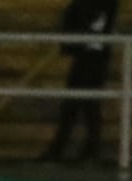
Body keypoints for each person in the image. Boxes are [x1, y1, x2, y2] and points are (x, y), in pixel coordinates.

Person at [42, 0, 118, 163]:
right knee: (78, 105)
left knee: (84, 105)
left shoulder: (99, 5)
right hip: (88, 55)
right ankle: (79, 149)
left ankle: (80, 149)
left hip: (93, 56)